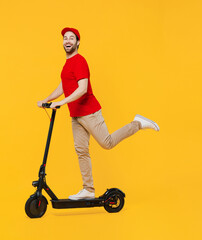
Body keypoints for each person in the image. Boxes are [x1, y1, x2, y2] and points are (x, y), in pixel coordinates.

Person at [37, 27, 160, 200]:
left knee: (107, 143)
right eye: (65, 38)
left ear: (78, 42)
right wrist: (46, 100)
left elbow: (82, 89)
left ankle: (137, 124)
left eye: (72, 38)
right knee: (81, 151)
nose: (68, 41)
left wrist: (61, 102)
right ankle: (88, 189)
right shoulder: (67, 65)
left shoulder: (79, 61)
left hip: (90, 112)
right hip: (76, 115)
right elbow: (63, 86)